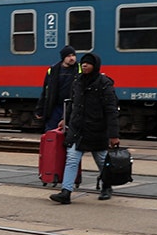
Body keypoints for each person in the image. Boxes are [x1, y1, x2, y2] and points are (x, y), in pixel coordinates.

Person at [49, 53, 120, 204]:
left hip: (97, 129)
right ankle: (66, 192)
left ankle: (107, 186)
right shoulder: (78, 81)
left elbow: (111, 110)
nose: (85, 65)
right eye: (83, 63)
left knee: (101, 160)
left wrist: (113, 135)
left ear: (96, 65)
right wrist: (65, 119)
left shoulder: (104, 83)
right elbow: (72, 103)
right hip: (78, 128)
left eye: (88, 63)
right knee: (72, 159)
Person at [35, 46, 79, 132]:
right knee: (51, 133)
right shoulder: (53, 70)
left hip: (71, 107)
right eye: (69, 56)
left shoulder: (79, 69)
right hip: (55, 107)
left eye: (73, 55)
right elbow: (46, 91)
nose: (72, 58)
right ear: (63, 58)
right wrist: (40, 109)